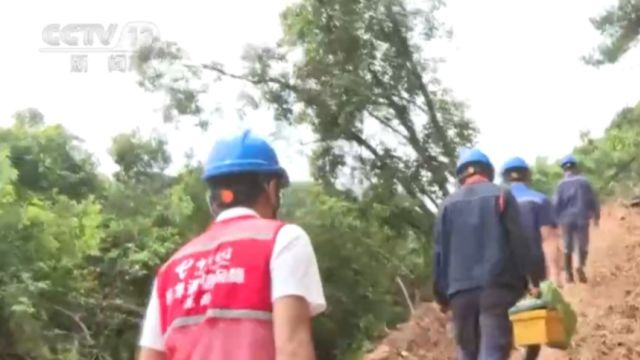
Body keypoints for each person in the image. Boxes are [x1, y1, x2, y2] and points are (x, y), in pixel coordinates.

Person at [137, 130, 326, 360]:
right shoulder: (283, 241)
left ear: (213, 200)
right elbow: (293, 349)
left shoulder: (171, 269)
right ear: (271, 189)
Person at [433, 148, 540, 360]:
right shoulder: (501, 195)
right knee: (493, 350)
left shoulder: (446, 205)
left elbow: (439, 253)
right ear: (489, 172)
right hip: (498, 288)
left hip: (460, 292)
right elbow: (519, 240)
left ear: (461, 176)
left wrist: (441, 295)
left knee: (467, 352)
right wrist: (533, 279)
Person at [501, 156, 560, 360]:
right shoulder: (540, 199)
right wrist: (554, 272)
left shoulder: (496, 201)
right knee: (533, 316)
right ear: (528, 176)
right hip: (534, 268)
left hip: (504, 270)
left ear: (505, 178)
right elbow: (548, 238)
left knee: (502, 321)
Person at [552, 154, 600, 284]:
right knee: (583, 245)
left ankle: (568, 274)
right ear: (576, 167)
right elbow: (594, 200)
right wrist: (596, 216)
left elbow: (556, 204)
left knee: (567, 247)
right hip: (582, 218)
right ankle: (580, 265)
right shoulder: (585, 182)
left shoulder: (560, 185)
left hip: (565, 220)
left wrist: (554, 222)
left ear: (564, 169)